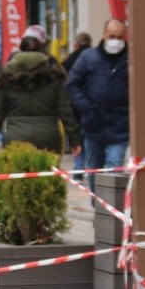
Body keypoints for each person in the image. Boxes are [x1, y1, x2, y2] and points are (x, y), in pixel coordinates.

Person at [67, 19, 131, 191]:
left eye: (119, 37)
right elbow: (72, 84)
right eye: (112, 36)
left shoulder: (131, 59)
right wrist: (85, 106)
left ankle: (111, 212)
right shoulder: (89, 57)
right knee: (94, 169)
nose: (115, 41)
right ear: (104, 35)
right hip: (94, 125)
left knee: (114, 167)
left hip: (120, 125)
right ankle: (99, 207)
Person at [0, 49, 81, 155]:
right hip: (49, 138)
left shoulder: (7, 81)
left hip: (16, 138)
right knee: (47, 170)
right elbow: (66, 112)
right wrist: (74, 140)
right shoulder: (55, 79)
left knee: (19, 170)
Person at [62, 30, 93, 178]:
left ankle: (79, 169)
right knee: (89, 135)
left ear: (75, 44)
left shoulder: (67, 61)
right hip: (91, 104)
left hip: (73, 104)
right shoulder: (95, 58)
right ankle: (90, 167)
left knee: (76, 135)